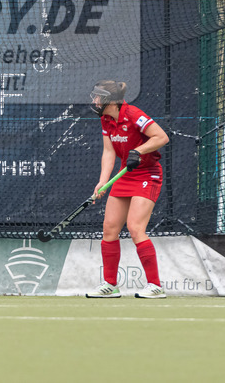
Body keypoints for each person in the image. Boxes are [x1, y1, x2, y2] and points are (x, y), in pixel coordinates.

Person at [85, 80, 170, 299]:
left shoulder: (134, 115)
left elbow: (161, 137)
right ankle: (110, 285)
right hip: (125, 174)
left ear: (109, 101)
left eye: (97, 97)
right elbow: (109, 152)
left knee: (135, 227)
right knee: (110, 229)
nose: (94, 101)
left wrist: (138, 151)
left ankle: (155, 286)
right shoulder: (106, 119)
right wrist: (102, 182)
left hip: (147, 174)